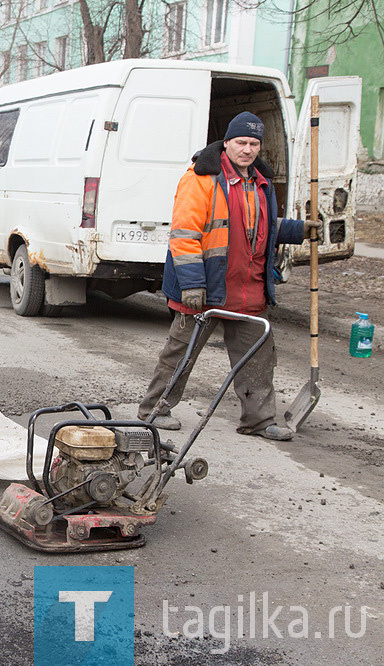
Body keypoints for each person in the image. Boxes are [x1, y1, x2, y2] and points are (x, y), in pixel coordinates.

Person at [137, 112, 321, 442]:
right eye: (241, 142)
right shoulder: (201, 178)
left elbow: (263, 227)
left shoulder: (260, 182)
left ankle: (259, 420)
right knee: (180, 354)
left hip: (248, 290)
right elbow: (184, 234)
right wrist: (192, 283)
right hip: (204, 290)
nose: (247, 149)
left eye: (253, 144)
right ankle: (154, 409)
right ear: (227, 143)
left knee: (258, 358)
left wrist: (297, 231)